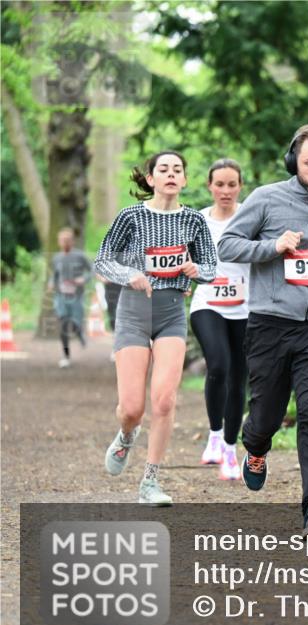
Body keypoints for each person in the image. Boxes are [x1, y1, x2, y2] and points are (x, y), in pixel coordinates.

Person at [218, 123, 308, 537]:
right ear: (293, 162)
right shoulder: (266, 199)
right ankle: (255, 446)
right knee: (267, 414)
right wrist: (273, 246)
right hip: (270, 324)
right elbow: (227, 244)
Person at [94, 151, 216, 505]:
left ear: (185, 179)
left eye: (178, 170)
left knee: (164, 399)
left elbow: (211, 265)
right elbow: (103, 259)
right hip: (134, 312)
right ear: (151, 179)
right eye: (163, 169)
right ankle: (126, 434)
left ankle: (150, 481)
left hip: (171, 313)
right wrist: (129, 273)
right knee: (132, 408)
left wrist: (197, 270)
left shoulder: (194, 220)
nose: (171, 174)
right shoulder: (130, 216)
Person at [189, 158, 249, 481]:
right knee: (219, 364)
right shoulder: (198, 221)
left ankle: (229, 448)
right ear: (209, 186)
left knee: (238, 377)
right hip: (207, 303)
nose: (226, 191)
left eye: (232, 185)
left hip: (245, 307)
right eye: (220, 184)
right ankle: (214, 433)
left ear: (240, 186)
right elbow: (184, 257)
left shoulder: (250, 217)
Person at [47, 227, 91, 368]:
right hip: (61, 297)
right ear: (59, 242)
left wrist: (83, 279)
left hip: (77, 297)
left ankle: (80, 334)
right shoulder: (56, 258)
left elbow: (92, 270)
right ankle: (66, 356)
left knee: (75, 323)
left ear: (72, 241)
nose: (65, 243)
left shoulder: (80, 256)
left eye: (67, 240)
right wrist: (51, 283)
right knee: (64, 324)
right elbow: (54, 274)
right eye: (62, 240)